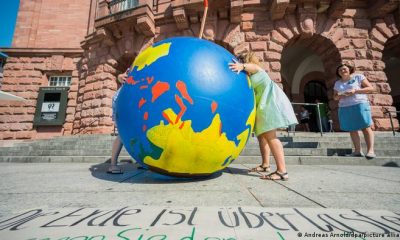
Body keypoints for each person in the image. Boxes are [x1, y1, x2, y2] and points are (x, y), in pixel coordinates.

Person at [229, 52, 298, 181]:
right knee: (262, 137)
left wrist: (241, 66)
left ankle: (282, 171)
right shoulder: (249, 76)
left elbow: (254, 67)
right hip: (263, 106)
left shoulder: (257, 70)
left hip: (269, 104)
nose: (238, 62)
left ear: (247, 61)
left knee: (271, 137)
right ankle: (265, 165)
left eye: (241, 60)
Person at [333, 60, 376, 159]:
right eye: (340, 70)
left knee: (366, 126)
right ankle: (357, 151)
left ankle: (370, 150)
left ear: (349, 69)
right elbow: (334, 97)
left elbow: (371, 88)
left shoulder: (358, 77)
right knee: (352, 129)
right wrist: (340, 95)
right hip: (345, 107)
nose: (342, 71)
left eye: (344, 69)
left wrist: (355, 91)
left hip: (359, 104)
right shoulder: (337, 83)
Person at [107, 69, 129, 174]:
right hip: (122, 100)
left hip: (129, 100)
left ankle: (143, 163)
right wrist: (120, 77)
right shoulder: (141, 60)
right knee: (122, 133)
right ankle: (113, 165)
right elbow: (123, 75)